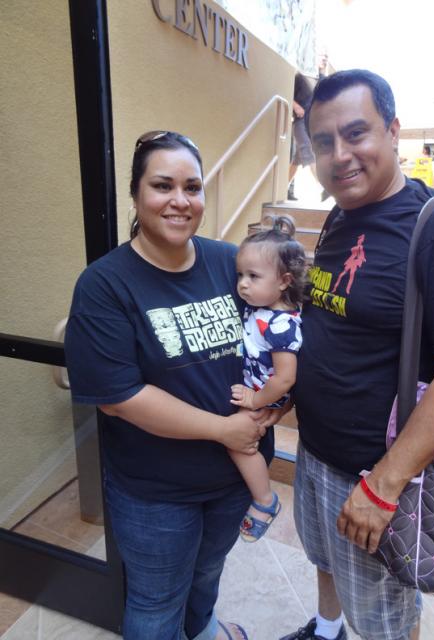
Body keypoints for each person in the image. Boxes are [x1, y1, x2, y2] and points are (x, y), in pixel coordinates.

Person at [279, 69, 434, 640]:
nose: (339, 155)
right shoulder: (341, 216)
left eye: (356, 133)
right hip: (316, 452)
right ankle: (325, 631)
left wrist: (384, 485)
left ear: (393, 131)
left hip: (375, 473)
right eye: (323, 142)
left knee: (385, 620)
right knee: (323, 560)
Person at [64, 130, 279, 640]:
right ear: (136, 194)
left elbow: (275, 335)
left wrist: (278, 400)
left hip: (233, 476)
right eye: (163, 185)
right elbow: (120, 399)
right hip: (156, 492)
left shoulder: (230, 263)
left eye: (192, 187)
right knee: (156, 603)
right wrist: (224, 430)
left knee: (207, 574)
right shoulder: (105, 285)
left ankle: (202, 630)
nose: (180, 200)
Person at [229, 216, 306, 542]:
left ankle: (265, 499)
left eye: (253, 276)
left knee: (239, 444)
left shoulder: (281, 325)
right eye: (240, 275)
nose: (243, 284)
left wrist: (255, 400)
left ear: (284, 281)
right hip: (257, 388)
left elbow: (285, 378)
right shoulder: (258, 306)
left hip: (265, 395)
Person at [288, 51, 329, 201]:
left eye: (326, 57)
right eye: (322, 56)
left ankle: (282, 188)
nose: (324, 59)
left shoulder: (320, 79)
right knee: (309, 152)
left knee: (297, 159)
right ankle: (325, 188)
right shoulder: (299, 75)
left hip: (313, 123)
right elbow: (284, 91)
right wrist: (295, 106)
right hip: (300, 122)